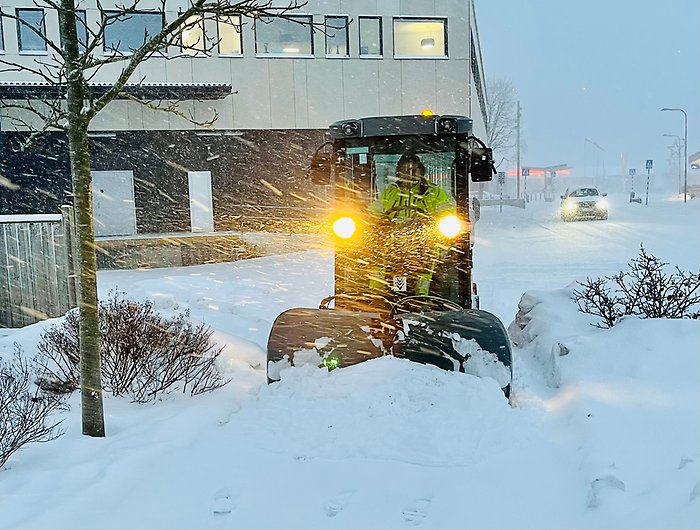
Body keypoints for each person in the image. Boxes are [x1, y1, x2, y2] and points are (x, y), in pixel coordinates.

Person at [367, 152, 455, 295]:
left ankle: (422, 297)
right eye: (404, 170)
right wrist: (368, 221)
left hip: (424, 243)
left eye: (413, 170)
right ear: (398, 172)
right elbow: (373, 214)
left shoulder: (433, 192)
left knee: (430, 261)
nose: (409, 174)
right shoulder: (391, 192)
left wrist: (432, 223)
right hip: (392, 244)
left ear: (421, 172)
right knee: (375, 260)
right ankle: (376, 298)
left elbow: (446, 213)